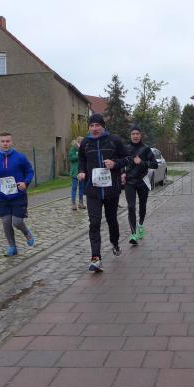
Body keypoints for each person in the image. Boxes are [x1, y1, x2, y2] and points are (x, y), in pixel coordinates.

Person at [78, 113, 130, 272]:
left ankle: (115, 243)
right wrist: (81, 171)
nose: (94, 128)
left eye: (97, 125)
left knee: (111, 219)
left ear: (103, 126)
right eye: (91, 125)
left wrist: (115, 164)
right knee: (94, 222)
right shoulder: (85, 143)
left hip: (111, 189)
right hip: (92, 190)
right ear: (88, 127)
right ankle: (96, 258)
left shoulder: (114, 140)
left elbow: (127, 158)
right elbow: (82, 160)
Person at [0, 132, 35, 256]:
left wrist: (25, 182)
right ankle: (12, 246)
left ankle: (26, 233)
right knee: (6, 222)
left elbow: (29, 171)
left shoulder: (20, 157)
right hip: (3, 196)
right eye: (3, 141)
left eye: (7, 141)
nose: (5, 144)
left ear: (11, 142)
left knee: (17, 222)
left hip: (18, 195)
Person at [123, 124, 158, 245]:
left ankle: (141, 225)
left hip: (142, 181)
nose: (135, 136)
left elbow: (155, 164)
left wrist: (142, 162)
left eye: (137, 133)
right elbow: (121, 163)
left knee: (142, 206)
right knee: (131, 207)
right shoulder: (126, 148)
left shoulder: (146, 148)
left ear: (140, 135)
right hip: (130, 182)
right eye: (133, 134)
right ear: (130, 135)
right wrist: (122, 173)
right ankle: (133, 234)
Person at [68, 137, 85, 211]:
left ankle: (81, 203)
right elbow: (70, 158)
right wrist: (78, 155)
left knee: (81, 188)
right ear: (78, 142)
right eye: (81, 142)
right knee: (74, 188)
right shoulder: (73, 149)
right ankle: (73, 204)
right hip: (75, 171)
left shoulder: (83, 149)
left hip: (81, 171)